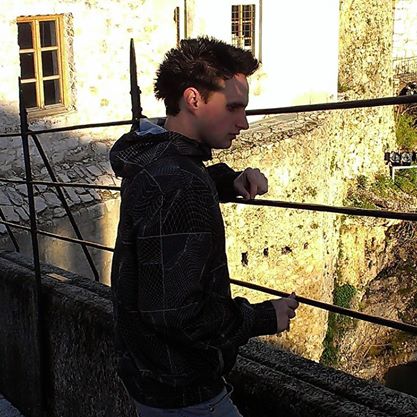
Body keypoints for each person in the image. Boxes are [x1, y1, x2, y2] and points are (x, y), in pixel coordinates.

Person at [110, 36, 299, 417]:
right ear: (194, 99)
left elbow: (167, 198)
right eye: (233, 108)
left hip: (151, 378)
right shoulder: (180, 184)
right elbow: (177, 313)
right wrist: (262, 317)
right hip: (186, 391)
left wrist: (227, 181)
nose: (244, 123)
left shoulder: (153, 159)